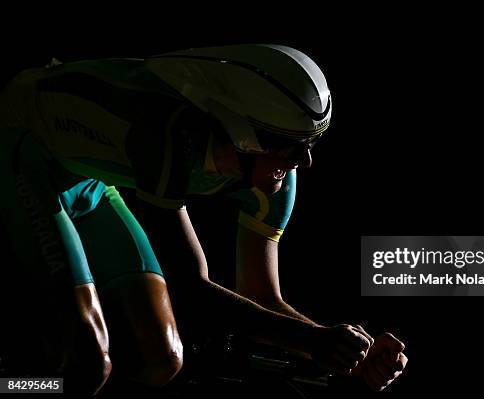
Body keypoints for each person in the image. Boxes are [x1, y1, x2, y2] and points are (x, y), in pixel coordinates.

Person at [0, 44, 407, 395]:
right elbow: (193, 290)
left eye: (312, 143)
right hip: (29, 156)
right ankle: (9, 387)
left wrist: (350, 352)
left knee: (164, 360)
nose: (306, 161)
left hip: (92, 179)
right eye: (294, 146)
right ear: (245, 134)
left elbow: (262, 297)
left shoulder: (280, 174)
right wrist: (314, 341)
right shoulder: (166, 137)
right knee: (87, 366)